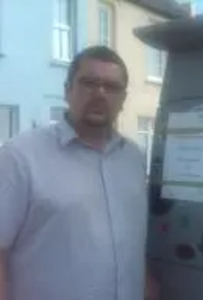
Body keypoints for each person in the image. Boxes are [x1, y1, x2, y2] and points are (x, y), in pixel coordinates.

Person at [0, 46, 158, 300]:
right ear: (67, 90)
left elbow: (135, 243)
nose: (99, 94)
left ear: (123, 99)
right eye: (88, 83)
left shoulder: (134, 159)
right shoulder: (20, 156)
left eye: (111, 87)